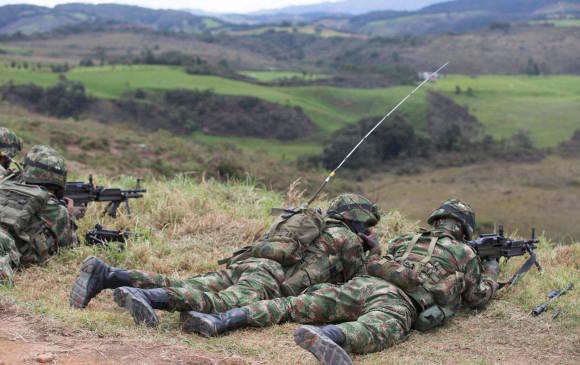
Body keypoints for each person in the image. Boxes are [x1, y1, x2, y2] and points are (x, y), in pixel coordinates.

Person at [181, 199, 499, 365]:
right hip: (396, 301)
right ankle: (327, 335)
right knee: (374, 329)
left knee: (291, 305)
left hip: (363, 284)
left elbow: (384, 257)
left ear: (435, 221)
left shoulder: (406, 240)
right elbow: (477, 297)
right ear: (465, 229)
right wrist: (493, 270)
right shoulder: (465, 254)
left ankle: (219, 320)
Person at [70, 194, 382, 328]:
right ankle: (146, 296)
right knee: (222, 303)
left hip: (251, 264)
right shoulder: (349, 240)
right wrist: (373, 250)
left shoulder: (308, 223)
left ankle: (109, 274)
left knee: (189, 284)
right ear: (359, 221)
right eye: (368, 226)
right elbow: (358, 283)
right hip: (271, 280)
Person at [0, 145, 78, 287]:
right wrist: (70, 216)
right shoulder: (56, 209)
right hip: (13, 255)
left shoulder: (5, 185)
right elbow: (70, 246)